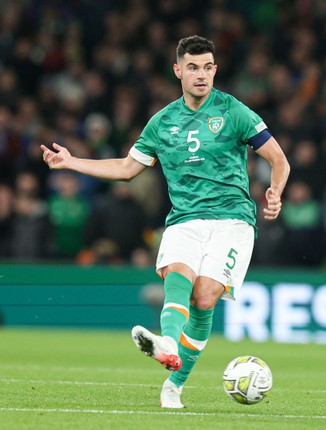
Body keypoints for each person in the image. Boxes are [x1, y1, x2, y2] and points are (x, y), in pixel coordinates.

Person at [41, 35, 290, 408]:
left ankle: (174, 384)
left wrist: (275, 192)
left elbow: (279, 160)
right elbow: (127, 169)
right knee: (178, 274)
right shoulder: (162, 122)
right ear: (178, 71)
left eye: (207, 67)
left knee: (204, 298)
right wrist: (72, 162)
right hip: (184, 218)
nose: (201, 74)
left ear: (215, 70)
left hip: (232, 219)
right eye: (193, 67)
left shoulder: (235, 111)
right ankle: (168, 344)